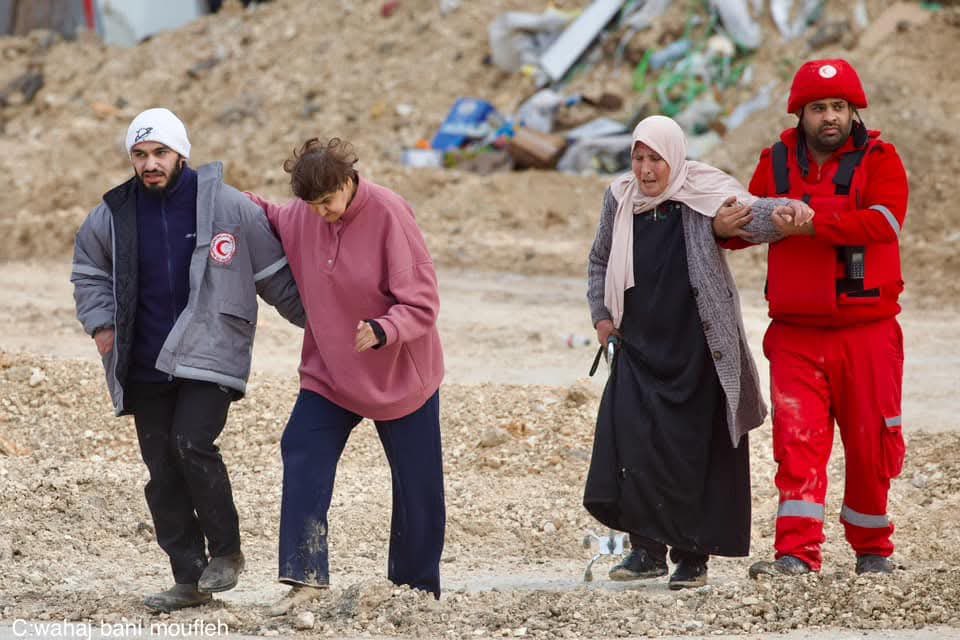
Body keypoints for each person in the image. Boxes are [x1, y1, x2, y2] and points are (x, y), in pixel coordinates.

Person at [70, 108, 305, 612]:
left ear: (182, 153)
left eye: (160, 152)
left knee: (191, 443)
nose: (150, 163)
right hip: (144, 359)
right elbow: (89, 270)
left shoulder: (229, 207)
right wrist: (103, 325)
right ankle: (188, 579)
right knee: (161, 468)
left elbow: (274, 277)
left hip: (209, 352)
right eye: (140, 154)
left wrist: (324, 324)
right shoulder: (113, 213)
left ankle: (227, 553)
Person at [583, 115, 812, 589]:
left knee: (692, 451)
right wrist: (602, 317)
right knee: (635, 446)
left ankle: (692, 559)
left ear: (675, 157)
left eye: (656, 159)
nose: (645, 169)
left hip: (698, 347)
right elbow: (600, 258)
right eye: (638, 158)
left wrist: (788, 211)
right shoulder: (620, 197)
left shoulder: (701, 191)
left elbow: (751, 214)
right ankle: (646, 551)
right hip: (638, 344)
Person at [245, 137, 445, 615]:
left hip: (399, 372)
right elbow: (265, 213)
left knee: (417, 485)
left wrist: (384, 328)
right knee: (302, 447)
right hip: (330, 371)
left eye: (327, 202)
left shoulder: (390, 213)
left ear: (348, 181)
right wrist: (217, 197)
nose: (321, 214)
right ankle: (306, 577)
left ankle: (414, 591)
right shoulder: (304, 215)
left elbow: (423, 302)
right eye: (311, 205)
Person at [741, 59, 909, 578]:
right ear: (801, 113)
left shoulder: (881, 159)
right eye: (818, 108)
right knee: (796, 446)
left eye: (839, 106)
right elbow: (745, 224)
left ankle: (873, 551)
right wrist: (728, 225)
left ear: (853, 111)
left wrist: (813, 225)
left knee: (871, 445)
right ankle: (795, 554)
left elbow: (885, 221)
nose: (830, 117)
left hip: (867, 333)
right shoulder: (774, 162)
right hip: (795, 334)